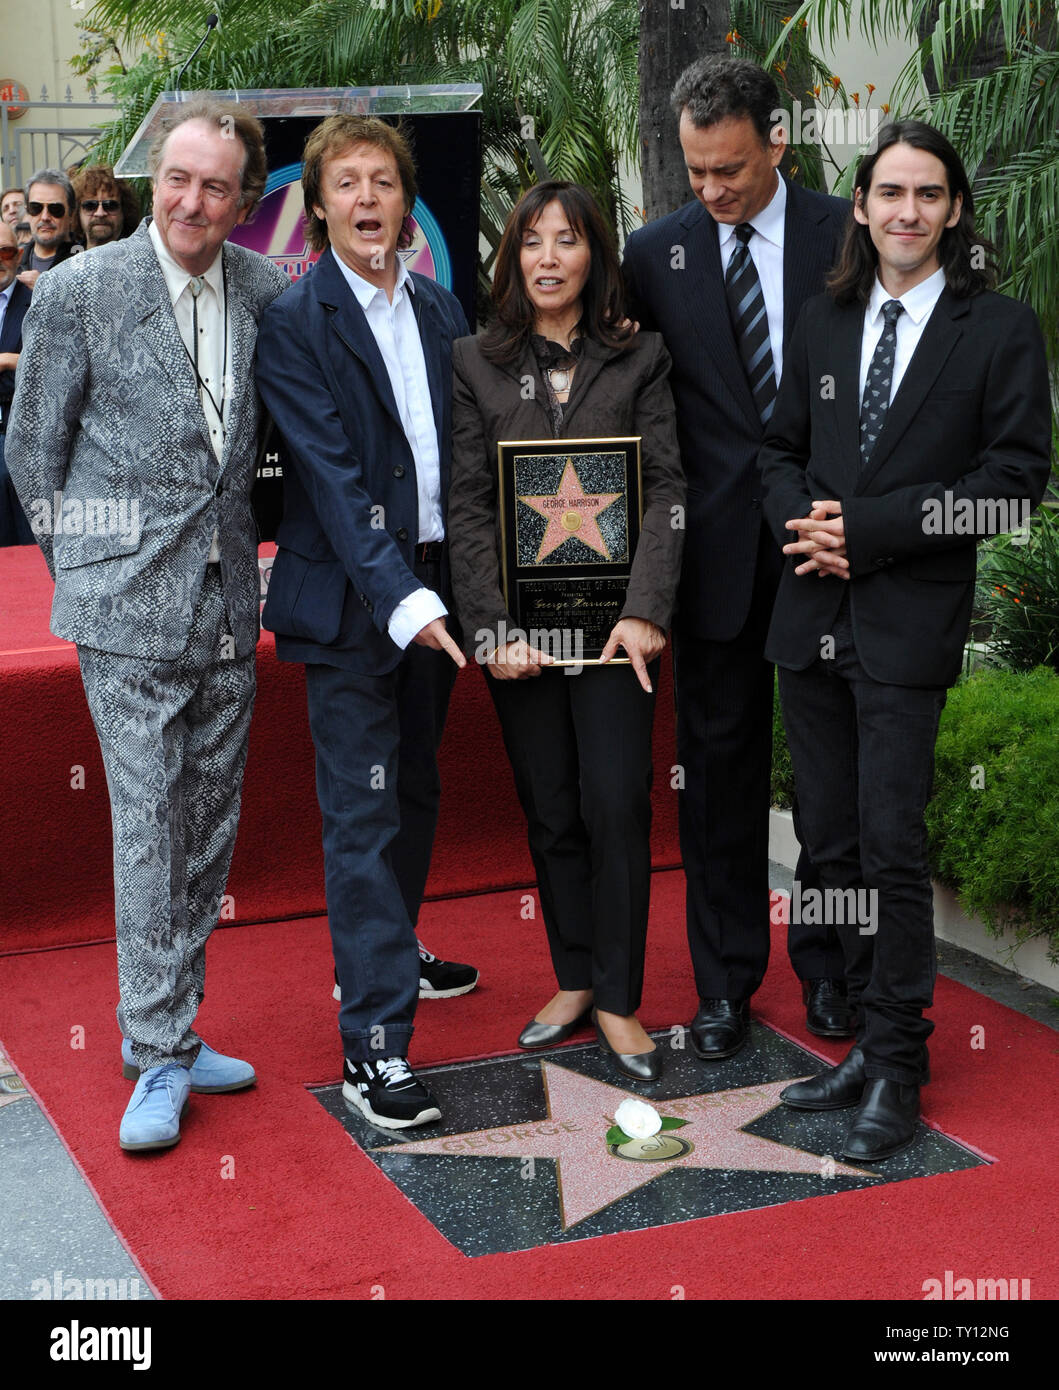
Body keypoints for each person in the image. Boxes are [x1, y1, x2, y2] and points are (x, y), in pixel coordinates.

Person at [760, 120, 1051, 1160]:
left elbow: (1010, 495)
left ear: (955, 209)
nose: (908, 212)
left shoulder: (999, 329)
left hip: (905, 627)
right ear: (864, 206)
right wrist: (803, 521)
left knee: (890, 848)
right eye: (890, 193)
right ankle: (855, 1026)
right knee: (829, 848)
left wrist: (871, 534)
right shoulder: (824, 320)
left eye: (929, 194)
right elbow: (778, 451)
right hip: (813, 619)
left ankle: (899, 1063)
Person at [5, 99, 290, 1152]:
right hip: (123, 615)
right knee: (151, 825)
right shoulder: (82, 289)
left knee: (210, 827)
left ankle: (173, 1022)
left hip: (227, 607)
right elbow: (34, 449)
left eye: (215, 186)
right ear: (151, 179)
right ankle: (156, 1047)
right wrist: (89, 566)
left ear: (245, 202)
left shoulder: (267, 290)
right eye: (178, 177)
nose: (191, 201)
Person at [622, 56, 853, 1060]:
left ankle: (838, 972)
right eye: (695, 171)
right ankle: (723, 986)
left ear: (776, 144)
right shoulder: (651, 255)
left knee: (832, 785)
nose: (711, 191)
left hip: (826, 548)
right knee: (714, 783)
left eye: (730, 170)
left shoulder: (847, 233)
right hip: (710, 559)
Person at [256, 114, 475, 1131]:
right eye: (345, 182)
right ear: (319, 206)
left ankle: (396, 938)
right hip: (355, 602)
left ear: (405, 197)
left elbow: (467, 457)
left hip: (435, 584)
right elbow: (338, 487)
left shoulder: (438, 307)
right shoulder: (295, 322)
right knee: (363, 817)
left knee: (417, 789)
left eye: (382, 179)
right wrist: (406, 599)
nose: (366, 198)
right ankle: (374, 1048)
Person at [449, 182, 686, 1081]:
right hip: (520, 635)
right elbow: (468, 505)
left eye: (568, 240)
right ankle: (575, 977)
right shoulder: (473, 361)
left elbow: (667, 490)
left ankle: (622, 998)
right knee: (550, 807)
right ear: (512, 257)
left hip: (618, 630)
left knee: (617, 801)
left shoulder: (641, 360)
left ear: (594, 256)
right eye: (532, 241)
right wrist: (489, 628)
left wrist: (646, 611)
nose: (549, 257)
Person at [0, 218, 33, 545]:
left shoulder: (38, 300)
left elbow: (50, 368)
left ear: (18, 253)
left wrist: (8, 362)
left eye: (6, 251)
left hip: (24, 438)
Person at [17, 168, 80, 289]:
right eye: (36, 208)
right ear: (27, 211)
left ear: (71, 214)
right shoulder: (13, 260)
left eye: (55, 209)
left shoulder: (84, 261)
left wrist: (46, 287)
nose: (45, 217)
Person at [72, 164, 141, 249]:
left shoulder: (139, 258)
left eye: (110, 205)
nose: (100, 213)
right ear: (77, 212)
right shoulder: (67, 259)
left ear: (124, 211)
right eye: (90, 206)